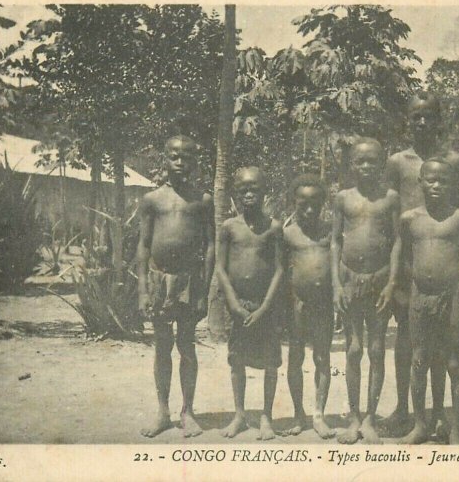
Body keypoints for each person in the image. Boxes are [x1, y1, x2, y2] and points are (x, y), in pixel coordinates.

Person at [384, 95, 459, 435]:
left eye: (427, 117)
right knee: (407, 337)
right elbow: (391, 213)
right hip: (407, 260)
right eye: (415, 117)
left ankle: (436, 413)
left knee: (442, 340)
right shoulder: (397, 162)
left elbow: (457, 214)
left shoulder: (453, 161)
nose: (421, 123)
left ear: (438, 120)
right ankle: (405, 408)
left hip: (441, 262)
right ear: (408, 119)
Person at [397, 158, 459, 445]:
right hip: (420, 299)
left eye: (443, 181)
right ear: (420, 182)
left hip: (451, 298)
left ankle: (456, 430)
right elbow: (405, 258)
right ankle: (421, 425)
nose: (436, 185)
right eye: (430, 180)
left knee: (454, 363)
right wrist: (413, 287)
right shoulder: (409, 219)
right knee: (419, 360)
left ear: (452, 184)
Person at [137, 135, 214, 439]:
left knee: (187, 345)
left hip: (189, 281)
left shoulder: (202, 200)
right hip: (158, 279)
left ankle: (188, 411)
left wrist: (205, 289)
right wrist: (143, 289)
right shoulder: (152, 200)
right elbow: (143, 246)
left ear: (196, 161)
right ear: (165, 159)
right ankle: (162, 411)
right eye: (174, 156)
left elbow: (210, 246)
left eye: (187, 157)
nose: (181, 162)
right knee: (162, 345)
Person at [331, 138, 401, 444]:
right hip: (350, 280)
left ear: (381, 164)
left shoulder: (390, 199)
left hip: (379, 280)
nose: (367, 166)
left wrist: (391, 282)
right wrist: (335, 284)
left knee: (375, 349)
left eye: (373, 160)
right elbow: (335, 240)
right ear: (351, 165)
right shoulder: (343, 198)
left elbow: (398, 240)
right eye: (360, 161)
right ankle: (354, 417)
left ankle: (371, 418)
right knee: (354, 349)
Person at [216, 167, 284, 441]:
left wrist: (266, 305)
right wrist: (233, 303)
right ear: (236, 192)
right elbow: (220, 268)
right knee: (238, 360)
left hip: (265, 306)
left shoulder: (274, 227)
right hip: (239, 305)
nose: (248, 193)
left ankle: (266, 416)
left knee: (270, 362)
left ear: (264, 191)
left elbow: (280, 269)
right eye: (243, 188)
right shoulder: (229, 227)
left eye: (254, 188)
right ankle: (240, 415)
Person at [283, 174, 336, 439]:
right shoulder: (287, 233)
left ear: (323, 203)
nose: (310, 209)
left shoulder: (330, 232)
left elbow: (337, 266)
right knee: (295, 357)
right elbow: (280, 271)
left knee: (322, 358)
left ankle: (318, 415)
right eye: (303, 203)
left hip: (323, 304)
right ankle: (298, 413)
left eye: (316, 203)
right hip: (296, 305)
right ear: (294, 203)